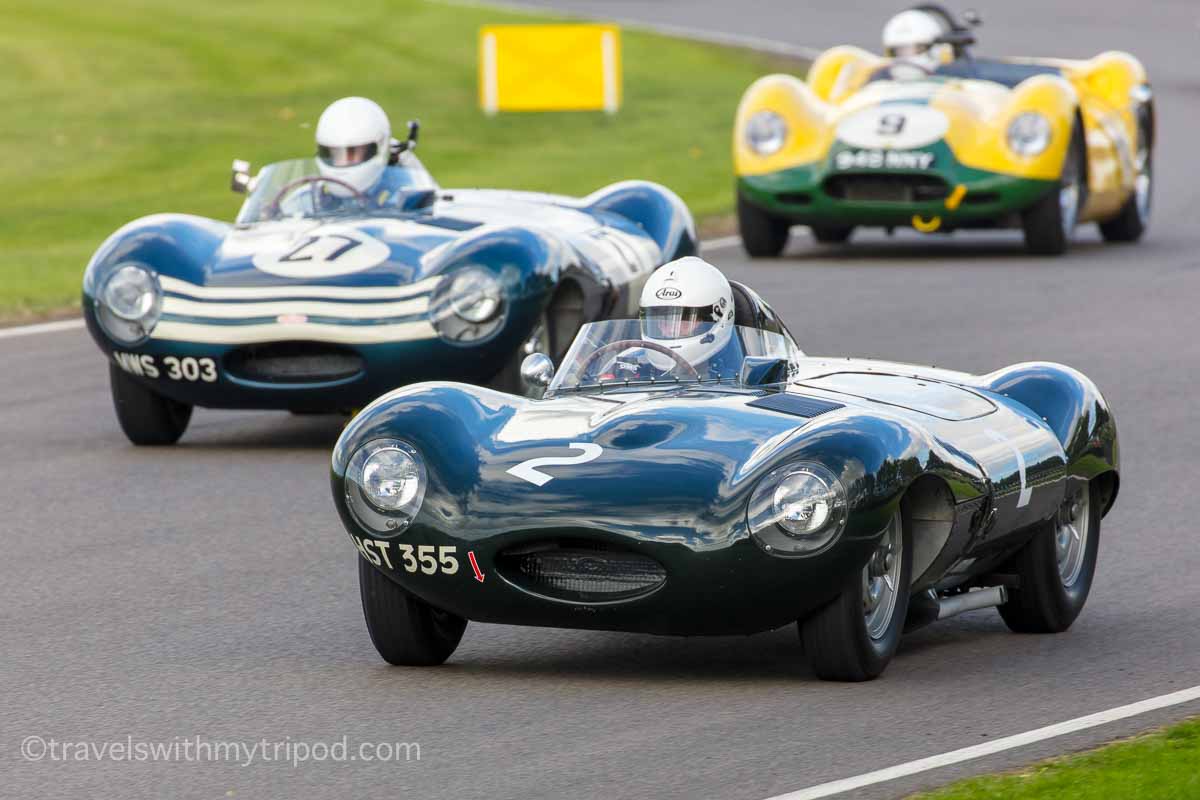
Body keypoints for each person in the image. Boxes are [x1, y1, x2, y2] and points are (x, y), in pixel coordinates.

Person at [601, 256, 741, 383]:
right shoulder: (624, 367)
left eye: (684, 320)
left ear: (717, 316)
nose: (669, 329)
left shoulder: (741, 375)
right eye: (660, 320)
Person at [881, 9, 953, 72]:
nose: (906, 56)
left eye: (917, 48)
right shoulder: (880, 84)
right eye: (899, 50)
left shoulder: (953, 81)